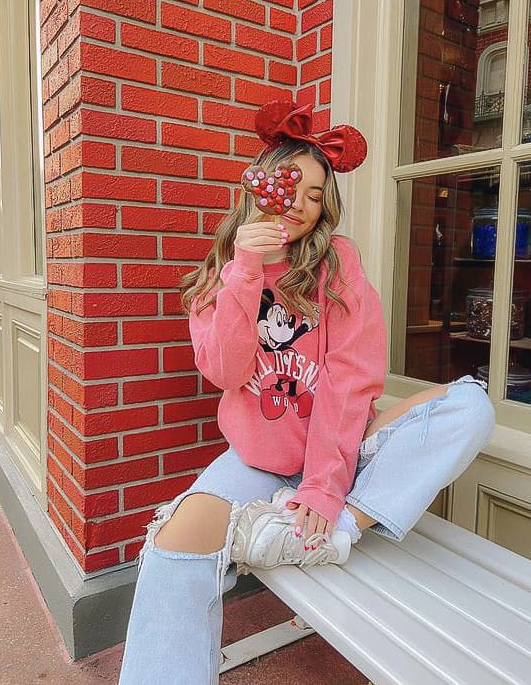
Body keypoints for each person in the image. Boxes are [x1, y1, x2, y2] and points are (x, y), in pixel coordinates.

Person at [118, 101, 495, 684]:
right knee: (172, 551)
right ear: (258, 186)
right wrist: (245, 267)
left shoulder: (336, 265)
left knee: (471, 406)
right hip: (260, 463)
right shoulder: (217, 279)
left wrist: (323, 490)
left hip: (342, 457)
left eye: (316, 194)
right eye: (290, 183)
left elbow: (350, 383)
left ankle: (335, 534)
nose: (299, 203)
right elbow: (223, 370)